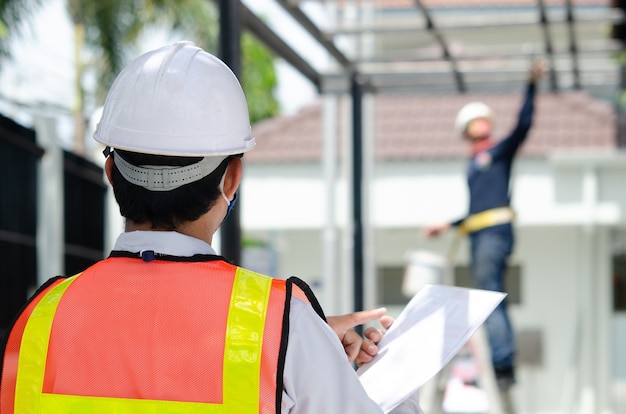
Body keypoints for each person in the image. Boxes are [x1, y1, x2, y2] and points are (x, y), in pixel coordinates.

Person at [0, 41, 422, 413]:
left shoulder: (41, 316)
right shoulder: (283, 322)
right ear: (231, 179)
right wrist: (332, 360)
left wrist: (300, 342)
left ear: (111, 172)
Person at [424, 60, 544, 390]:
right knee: (487, 294)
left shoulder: (498, 153)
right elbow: (476, 209)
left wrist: (532, 85)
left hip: (493, 236)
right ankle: (500, 362)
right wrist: (447, 224)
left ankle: (503, 364)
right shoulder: (474, 165)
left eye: (481, 120)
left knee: (491, 296)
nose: (478, 125)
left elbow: (523, 126)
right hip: (480, 236)